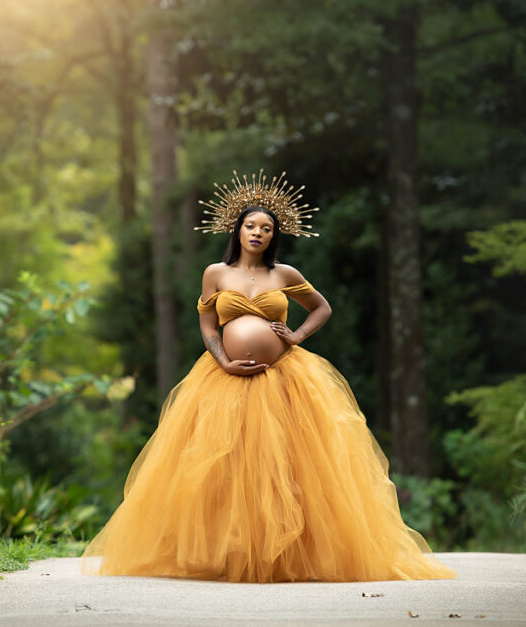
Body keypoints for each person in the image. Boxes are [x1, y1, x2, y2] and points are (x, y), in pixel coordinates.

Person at [78, 171, 457, 583]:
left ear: (274, 235)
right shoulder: (215, 274)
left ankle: (290, 556)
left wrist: (296, 336)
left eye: (266, 228)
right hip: (223, 378)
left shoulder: (285, 275)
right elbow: (207, 326)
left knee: (290, 467)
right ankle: (227, 553)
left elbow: (322, 308)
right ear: (237, 230)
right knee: (223, 465)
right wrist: (223, 359)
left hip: (284, 378)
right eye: (250, 226)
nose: (257, 233)